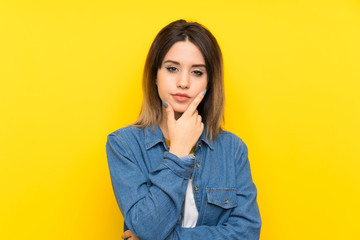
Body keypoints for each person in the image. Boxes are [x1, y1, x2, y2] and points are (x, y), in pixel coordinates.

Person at [106, 19, 261, 240]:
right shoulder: (124, 145)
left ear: (210, 81)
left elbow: (247, 233)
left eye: (197, 72)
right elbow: (148, 228)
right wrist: (178, 150)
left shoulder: (232, 149)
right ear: (155, 76)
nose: (183, 82)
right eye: (172, 69)